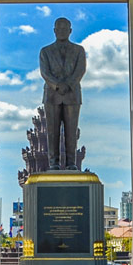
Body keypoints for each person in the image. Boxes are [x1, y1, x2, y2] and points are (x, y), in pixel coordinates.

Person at [39, 17, 86, 170]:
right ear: (54, 31)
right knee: (52, 132)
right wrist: (58, 85)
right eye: (59, 29)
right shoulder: (45, 51)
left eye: (65, 29)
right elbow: (44, 72)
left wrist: (69, 84)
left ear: (70, 31)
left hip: (72, 95)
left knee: (71, 131)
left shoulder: (79, 50)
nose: (61, 31)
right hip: (52, 95)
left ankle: (71, 163)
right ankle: (54, 163)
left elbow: (80, 70)